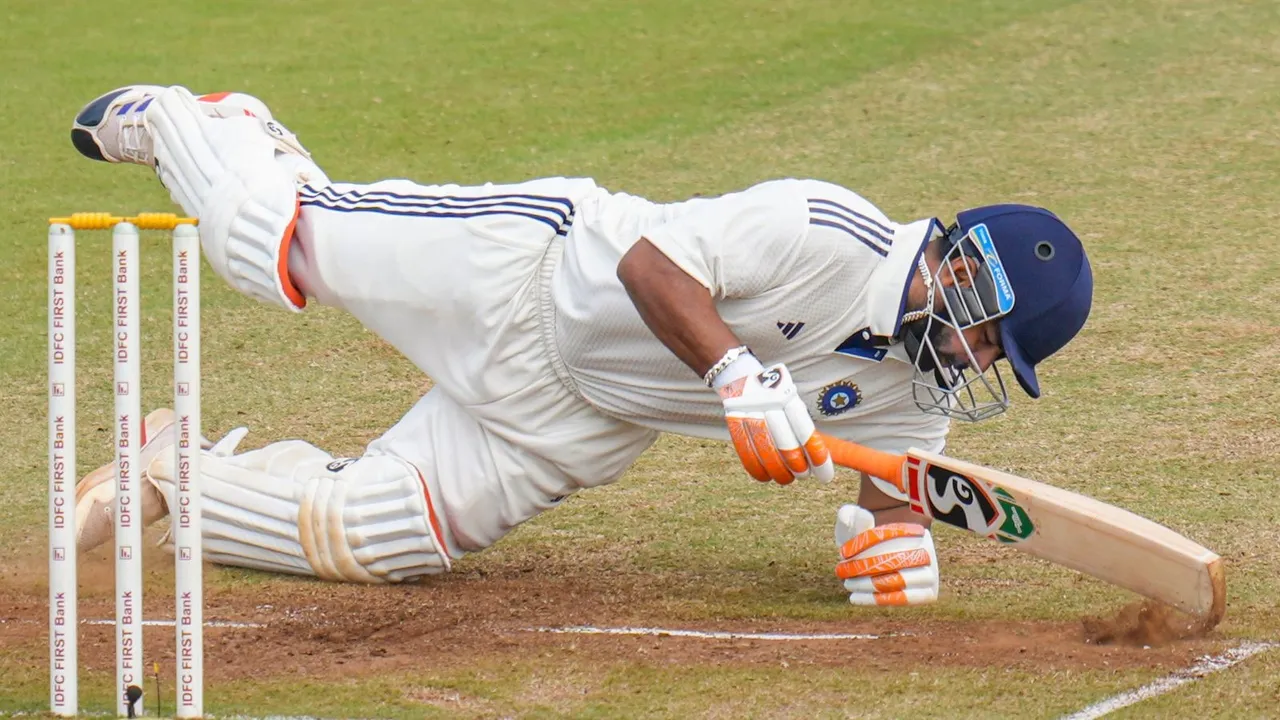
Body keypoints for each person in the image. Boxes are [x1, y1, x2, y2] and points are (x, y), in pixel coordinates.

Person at [69, 85, 1092, 606]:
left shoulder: (919, 387)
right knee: (264, 242)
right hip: (529, 273)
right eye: (986, 338)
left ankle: (165, 472)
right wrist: (735, 374)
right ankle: (209, 125)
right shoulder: (824, 228)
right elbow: (653, 267)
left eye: (996, 360)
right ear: (964, 273)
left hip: (581, 419)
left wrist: (894, 546)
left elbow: (894, 483)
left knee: (373, 536)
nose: (975, 362)